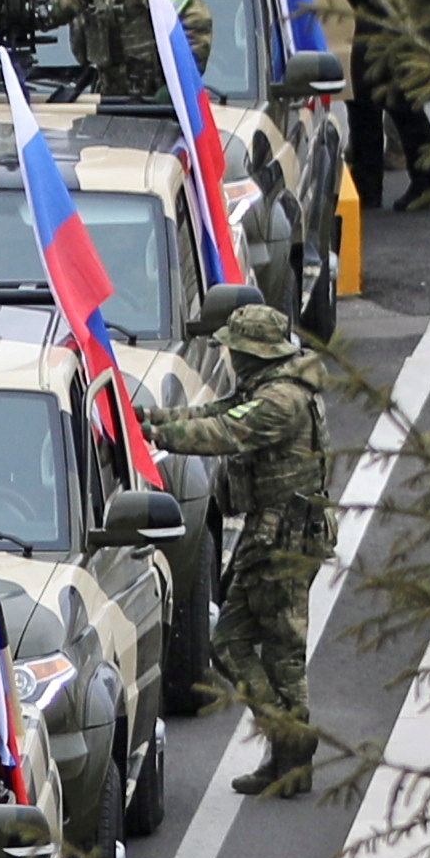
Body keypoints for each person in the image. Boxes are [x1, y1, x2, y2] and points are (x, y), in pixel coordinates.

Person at [138, 287, 354, 796]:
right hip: (281, 532)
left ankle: (290, 742)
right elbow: (218, 409)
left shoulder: (279, 400)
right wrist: (156, 420)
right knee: (277, 651)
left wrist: (159, 437)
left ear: (252, 351)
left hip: (282, 537)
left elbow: (225, 432)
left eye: (233, 348)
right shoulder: (273, 383)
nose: (228, 356)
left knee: (236, 644)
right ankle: (287, 758)